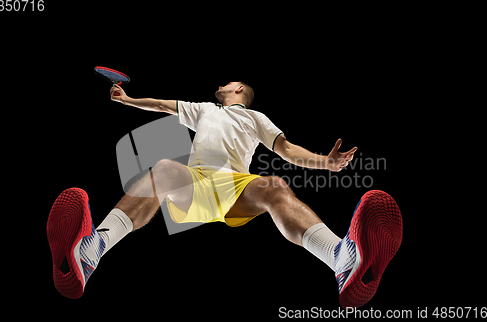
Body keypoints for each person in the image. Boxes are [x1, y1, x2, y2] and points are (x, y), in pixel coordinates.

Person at [47, 81, 402, 308]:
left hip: (236, 187)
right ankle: (93, 249)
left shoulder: (256, 118)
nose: (220, 84)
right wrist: (128, 100)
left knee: (275, 185)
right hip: (196, 184)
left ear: (240, 91)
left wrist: (326, 163)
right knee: (166, 168)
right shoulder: (203, 110)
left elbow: (288, 150)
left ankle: (340, 258)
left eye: (228, 83)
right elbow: (161, 106)